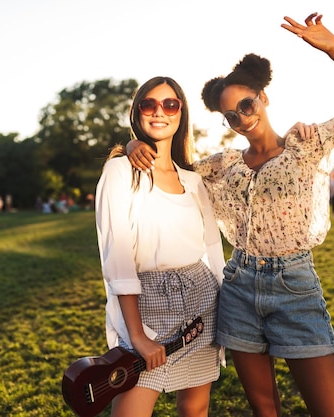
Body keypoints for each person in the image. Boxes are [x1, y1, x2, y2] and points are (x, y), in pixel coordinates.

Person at [127, 12, 334, 417]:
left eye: (246, 104)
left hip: (295, 287)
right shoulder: (222, 165)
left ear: (264, 97)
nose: (241, 117)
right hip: (238, 289)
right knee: (264, 409)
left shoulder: (305, 145)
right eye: (230, 115)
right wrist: (132, 144)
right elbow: (170, 170)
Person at [95, 76, 226, 417]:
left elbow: (212, 250)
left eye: (170, 104)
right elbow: (117, 256)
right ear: (137, 113)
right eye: (149, 104)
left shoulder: (193, 180)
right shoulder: (120, 171)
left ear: (181, 113)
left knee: (195, 410)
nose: (159, 112)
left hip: (201, 302)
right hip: (147, 302)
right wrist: (137, 336)